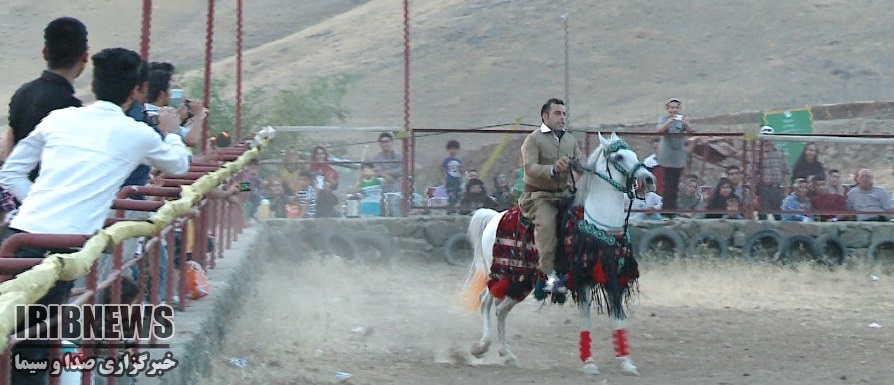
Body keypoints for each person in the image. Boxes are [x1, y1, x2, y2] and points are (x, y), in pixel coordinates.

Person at [0, 47, 190, 385]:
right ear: (135, 91)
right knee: (32, 349)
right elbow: (178, 165)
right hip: (60, 250)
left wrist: (43, 203)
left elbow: (11, 172)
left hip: (16, 237)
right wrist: (172, 130)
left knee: (12, 337)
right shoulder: (137, 133)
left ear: (94, 83)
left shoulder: (60, 118)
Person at [3, 17, 89, 173]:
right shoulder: (71, 107)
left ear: (44, 53)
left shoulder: (23, 92)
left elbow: (8, 149)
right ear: (85, 55)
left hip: (16, 186)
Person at [519, 98, 581, 294]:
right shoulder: (533, 139)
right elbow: (529, 167)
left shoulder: (570, 140)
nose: (562, 117)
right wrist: (553, 169)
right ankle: (546, 275)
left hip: (565, 194)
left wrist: (583, 167)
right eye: (557, 113)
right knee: (546, 226)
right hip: (538, 197)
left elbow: (579, 163)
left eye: (564, 114)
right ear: (545, 116)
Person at [656, 98, 693, 216]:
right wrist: (669, 122)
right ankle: (666, 210)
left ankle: (673, 209)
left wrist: (686, 124)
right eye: (672, 107)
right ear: (667, 109)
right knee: (668, 184)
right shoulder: (663, 119)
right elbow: (660, 130)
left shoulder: (682, 120)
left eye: (676, 107)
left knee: (676, 184)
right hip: (667, 155)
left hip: (678, 156)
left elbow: (691, 132)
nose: (674, 110)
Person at [757, 127, 790, 219]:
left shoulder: (780, 151)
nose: (767, 138)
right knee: (763, 214)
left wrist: (786, 188)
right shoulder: (757, 153)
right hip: (763, 188)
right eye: (764, 136)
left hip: (777, 188)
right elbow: (752, 173)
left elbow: (785, 171)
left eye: (768, 136)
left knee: (779, 214)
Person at [441, 139, 464, 212]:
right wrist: (444, 178)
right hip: (450, 179)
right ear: (448, 150)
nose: (453, 151)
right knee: (451, 194)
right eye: (451, 149)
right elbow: (443, 170)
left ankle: (456, 208)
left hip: (457, 179)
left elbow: (461, 171)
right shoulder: (446, 160)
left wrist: (461, 171)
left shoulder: (459, 160)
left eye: (455, 149)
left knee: (458, 194)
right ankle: (450, 209)